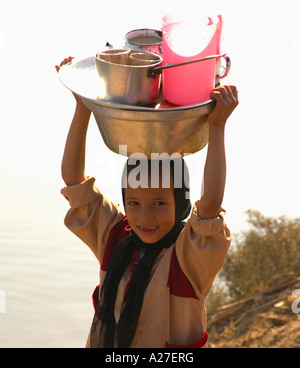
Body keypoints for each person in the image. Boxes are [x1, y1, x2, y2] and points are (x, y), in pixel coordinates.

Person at [57, 59, 239, 348]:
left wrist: (217, 127)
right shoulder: (114, 237)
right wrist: (83, 107)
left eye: (159, 203)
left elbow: (211, 206)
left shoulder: (188, 256)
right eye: (133, 203)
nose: (144, 216)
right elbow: (73, 180)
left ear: (180, 203)